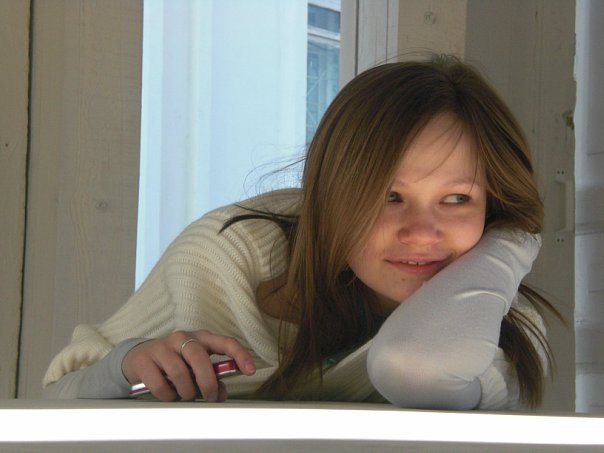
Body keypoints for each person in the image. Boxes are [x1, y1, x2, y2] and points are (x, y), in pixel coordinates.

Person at [43, 54, 558, 410]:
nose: (422, 233)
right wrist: (127, 364)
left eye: (458, 199)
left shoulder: (495, 313)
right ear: (332, 195)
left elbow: (416, 367)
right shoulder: (230, 256)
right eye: (388, 196)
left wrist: (515, 238)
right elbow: (54, 399)